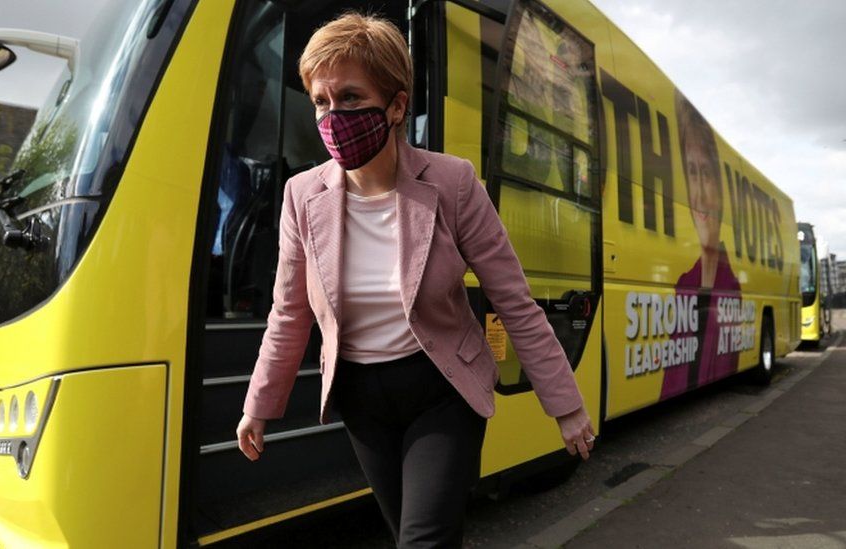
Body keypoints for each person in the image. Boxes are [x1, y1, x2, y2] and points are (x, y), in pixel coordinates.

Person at [236, 13, 593, 547]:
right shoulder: (302, 196)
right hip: (361, 399)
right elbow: (289, 313)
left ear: (397, 105)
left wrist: (565, 405)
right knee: (411, 533)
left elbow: (513, 300)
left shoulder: (452, 184)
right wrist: (258, 406)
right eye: (321, 102)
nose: (334, 116)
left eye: (352, 99)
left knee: (423, 540)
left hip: (442, 388)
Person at [660, 91, 741, 400]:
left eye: (705, 173)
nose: (699, 194)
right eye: (691, 173)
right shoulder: (684, 284)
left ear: (720, 189)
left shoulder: (732, 286)